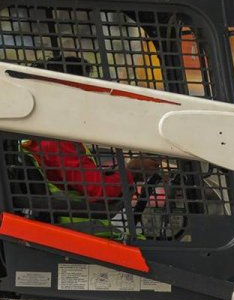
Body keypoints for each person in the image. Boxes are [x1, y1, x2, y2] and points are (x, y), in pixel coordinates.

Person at [18, 55, 160, 237]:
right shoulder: (55, 141)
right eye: (85, 89)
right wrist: (132, 172)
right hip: (79, 233)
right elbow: (98, 190)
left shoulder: (51, 134)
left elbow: (83, 179)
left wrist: (124, 171)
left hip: (82, 226)